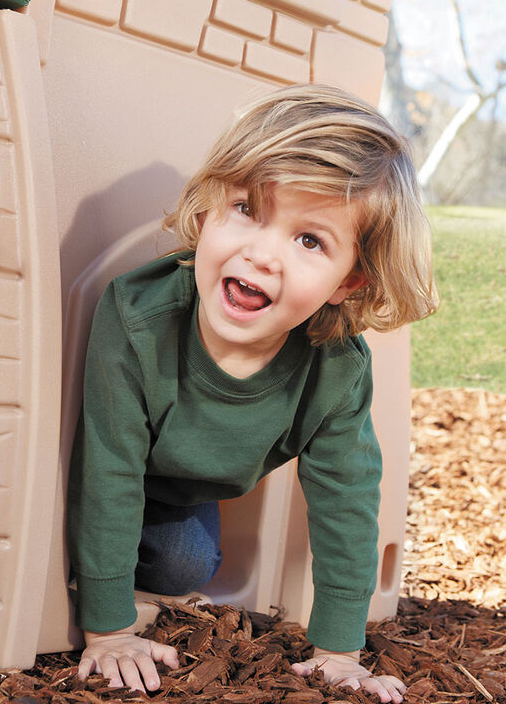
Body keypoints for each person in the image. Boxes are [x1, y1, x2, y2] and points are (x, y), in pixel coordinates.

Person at [67, 84, 438, 703]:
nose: (261, 253)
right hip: (101, 465)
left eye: (309, 240)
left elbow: (347, 502)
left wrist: (340, 652)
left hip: (180, 494)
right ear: (211, 205)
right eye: (247, 209)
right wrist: (107, 632)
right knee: (87, 527)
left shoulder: (335, 370)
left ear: (349, 281)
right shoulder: (137, 317)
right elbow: (108, 468)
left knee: (185, 565)